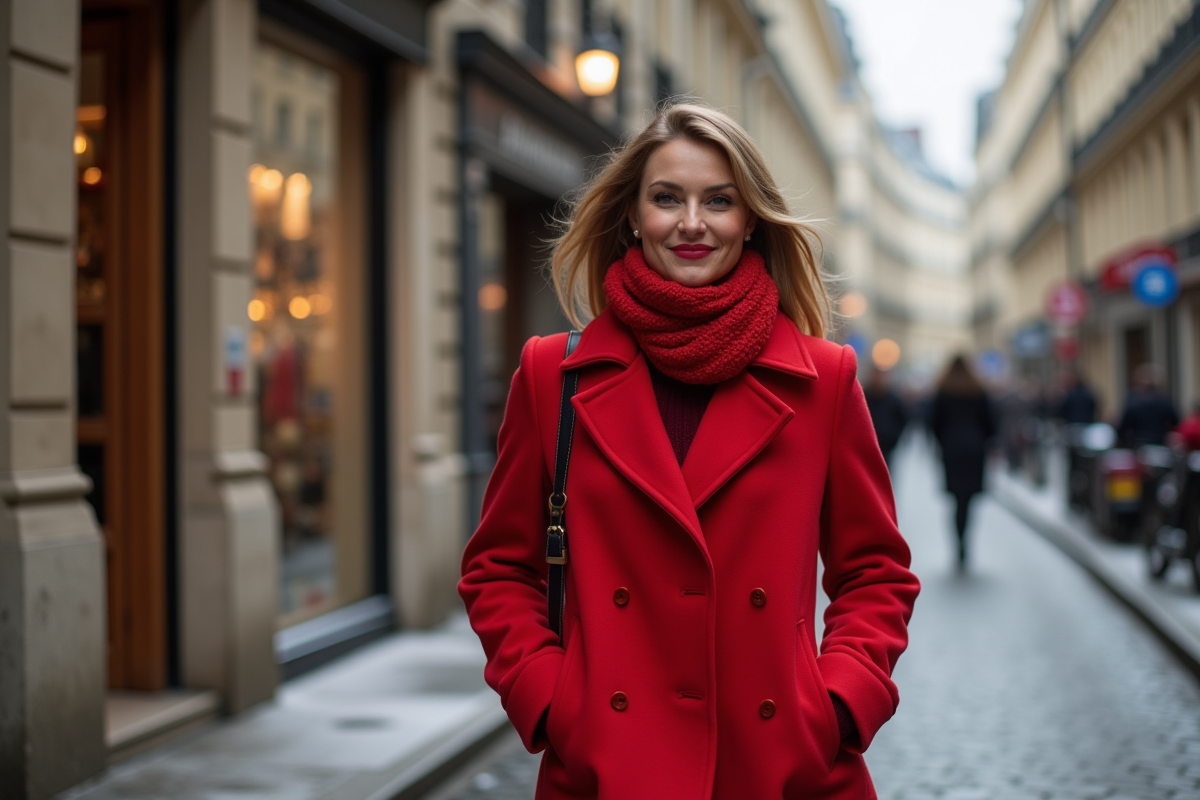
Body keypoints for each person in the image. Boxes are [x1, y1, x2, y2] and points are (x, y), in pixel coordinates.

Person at [458, 102, 919, 799]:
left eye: (719, 201)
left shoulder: (824, 380)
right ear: (633, 217)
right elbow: (498, 567)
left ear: (751, 219)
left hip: (781, 768)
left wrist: (838, 706)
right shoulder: (553, 375)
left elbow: (875, 572)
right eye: (667, 198)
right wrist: (550, 699)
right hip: (609, 768)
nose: (693, 222)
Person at [930, 355, 996, 569]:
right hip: (974, 451)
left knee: (956, 501)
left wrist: (943, 443)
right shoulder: (978, 391)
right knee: (968, 501)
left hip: (952, 451)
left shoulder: (944, 391)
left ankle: (959, 542)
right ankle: (965, 540)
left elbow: (933, 422)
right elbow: (991, 423)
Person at [1117, 363, 1180, 448]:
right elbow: (1175, 422)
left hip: (1139, 443)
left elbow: (1124, 426)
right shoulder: (1165, 401)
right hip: (1160, 442)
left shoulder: (1133, 401)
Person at [863, 365, 908, 468]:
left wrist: (892, 437)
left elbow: (902, 420)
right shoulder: (865, 396)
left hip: (885, 446)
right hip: (866, 446)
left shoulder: (894, 399)